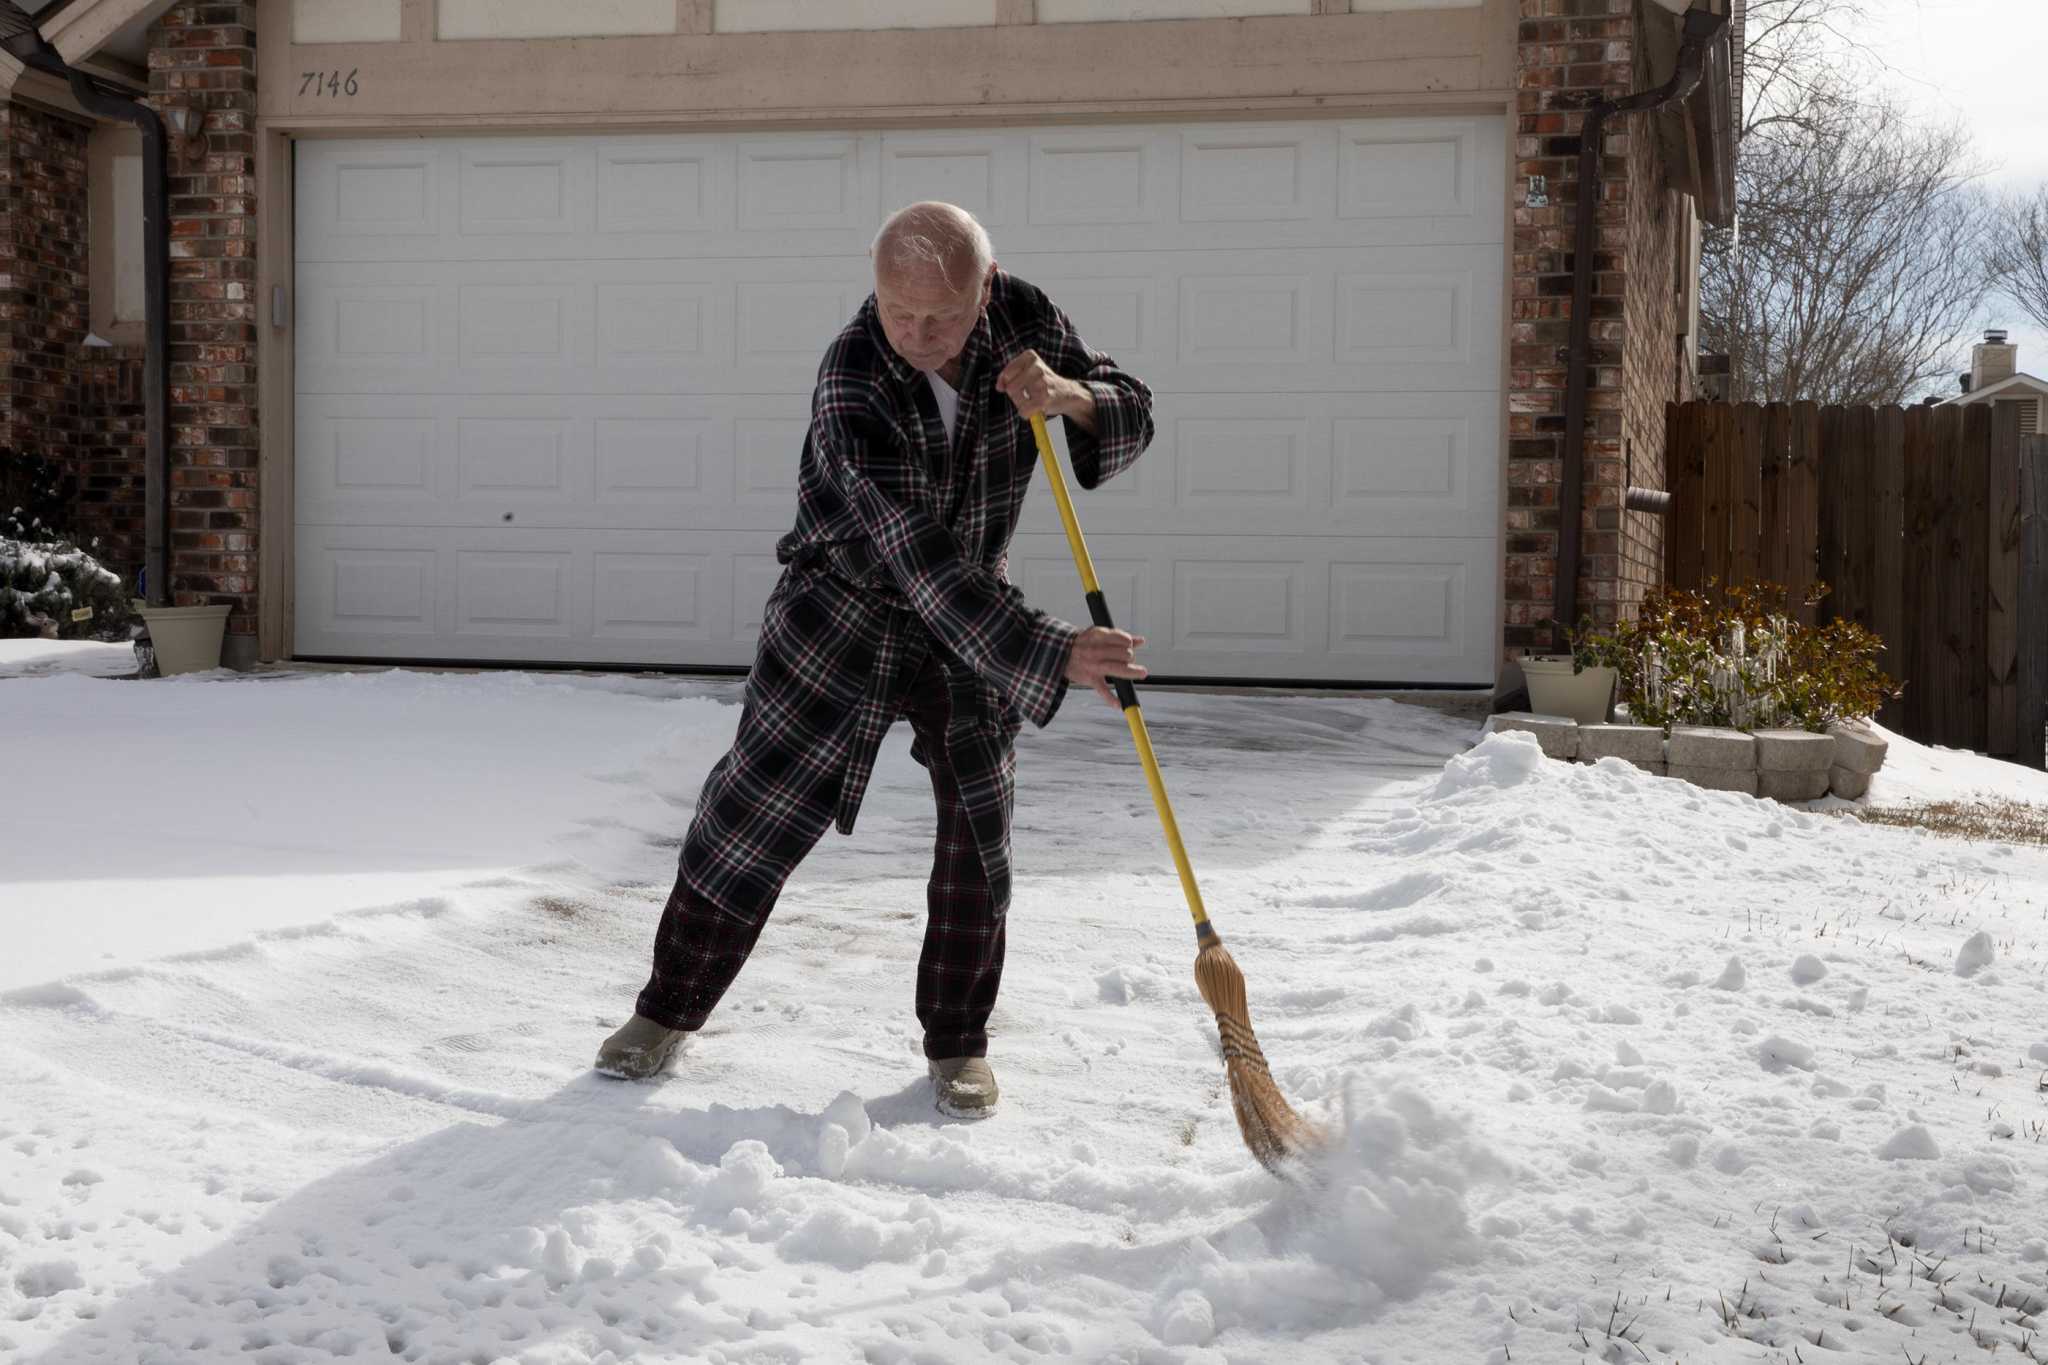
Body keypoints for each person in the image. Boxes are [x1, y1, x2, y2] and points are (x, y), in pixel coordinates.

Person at [595, 202, 1155, 1117]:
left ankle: (959, 1044)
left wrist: (1072, 397)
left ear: (986, 284)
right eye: (902, 312)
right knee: (754, 815)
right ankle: (665, 1011)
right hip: (844, 610)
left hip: (971, 606)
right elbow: (914, 553)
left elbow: (1132, 405)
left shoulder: (1023, 316)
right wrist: (1051, 651)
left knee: (981, 833)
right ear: (875, 283)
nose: (920, 336)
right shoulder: (853, 375)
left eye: (943, 315)